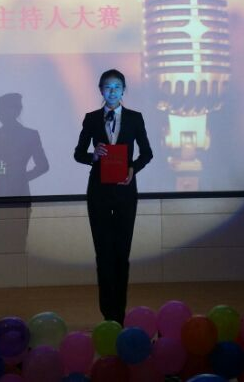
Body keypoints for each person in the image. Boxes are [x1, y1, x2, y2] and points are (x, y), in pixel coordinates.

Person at [73, 68, 153, 323]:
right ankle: (108, 313)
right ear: (101, 90)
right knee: (103, 254)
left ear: (124, 90)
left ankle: (119, 313)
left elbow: (147, 153)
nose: (112, 91)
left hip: (125, 191)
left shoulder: (135, 118)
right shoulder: (91, 118)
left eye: (117, 86)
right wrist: (93, 156)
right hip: (98, 192)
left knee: (121, 254)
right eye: (108, 87)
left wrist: (133, 168)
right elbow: (78, 154)